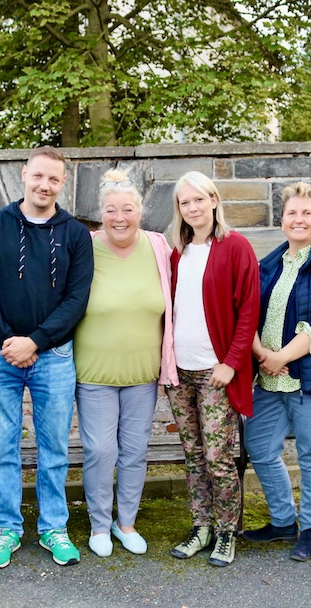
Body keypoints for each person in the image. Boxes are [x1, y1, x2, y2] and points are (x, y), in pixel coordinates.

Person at [0, 146, 94, 568]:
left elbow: (76, 299)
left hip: (54, 357)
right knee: (2, 449)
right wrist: (9, 341)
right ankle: (6, 528)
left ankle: (53, 527)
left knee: (54, 447)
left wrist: (35, 341)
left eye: (54, 179)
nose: (44, 185)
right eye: (38, 176)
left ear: (62, 183)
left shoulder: (75, 233)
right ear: (24, 174)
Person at [240, 182, 311, 562]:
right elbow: (246, 312)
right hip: (269, 378)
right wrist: (262, 354)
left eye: (306, 213)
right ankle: (283, 521)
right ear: (282, 220)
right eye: (291, 213)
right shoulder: (268, 263)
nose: (298, 219)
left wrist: (281, 354)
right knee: (260, 447)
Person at [73, 169, 178, 557]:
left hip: (143, 374)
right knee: (101, 450)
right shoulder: (83, 246)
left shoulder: (158, 246)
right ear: (101, 212)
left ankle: (126, 522)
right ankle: (99, 525)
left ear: (140, 211)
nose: (120, 217)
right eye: (111, 209)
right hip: (95, 373)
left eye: (128, 209)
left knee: (134, 451)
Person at [166, 171, 259, 567]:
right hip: (180, 372)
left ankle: (226, 532)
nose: (193, 208)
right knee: (192, 455)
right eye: (185, 203)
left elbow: (248, 311)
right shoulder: (175, 252)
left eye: (199, 200)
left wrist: (232, 363)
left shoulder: (235, 247)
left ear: (214, 201)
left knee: (219, 456)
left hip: (215, 371)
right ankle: (201, 526)